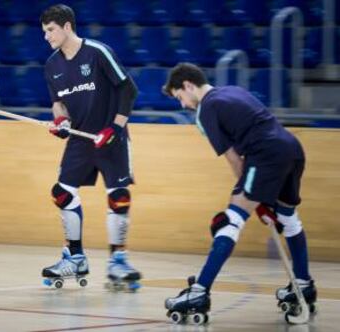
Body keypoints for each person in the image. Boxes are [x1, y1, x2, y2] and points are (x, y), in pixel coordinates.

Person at [162, 63, 317, 320]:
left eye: (180, 97)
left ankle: (199, 291)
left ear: (188, 85)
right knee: (289, 220)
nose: (183, 105)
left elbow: (235, 160)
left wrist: (253, 199)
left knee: (231, 221)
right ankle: (304, 285)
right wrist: (260, 198)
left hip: (265, 156)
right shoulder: (233, 91)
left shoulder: (206, 110)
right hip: (292, 149)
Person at [39, 4, 141, 289]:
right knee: (61, 193)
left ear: (67, 26)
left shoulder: (97, 52)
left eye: (50, 30)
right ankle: (75, 258)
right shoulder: (51, 65)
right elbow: (58, 102)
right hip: (80, 140)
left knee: (118, 196)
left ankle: (118, 261)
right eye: (44, 32)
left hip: (112, 138)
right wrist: (60, 122)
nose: (46, 37)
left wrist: (115, 127)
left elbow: (128, 90)